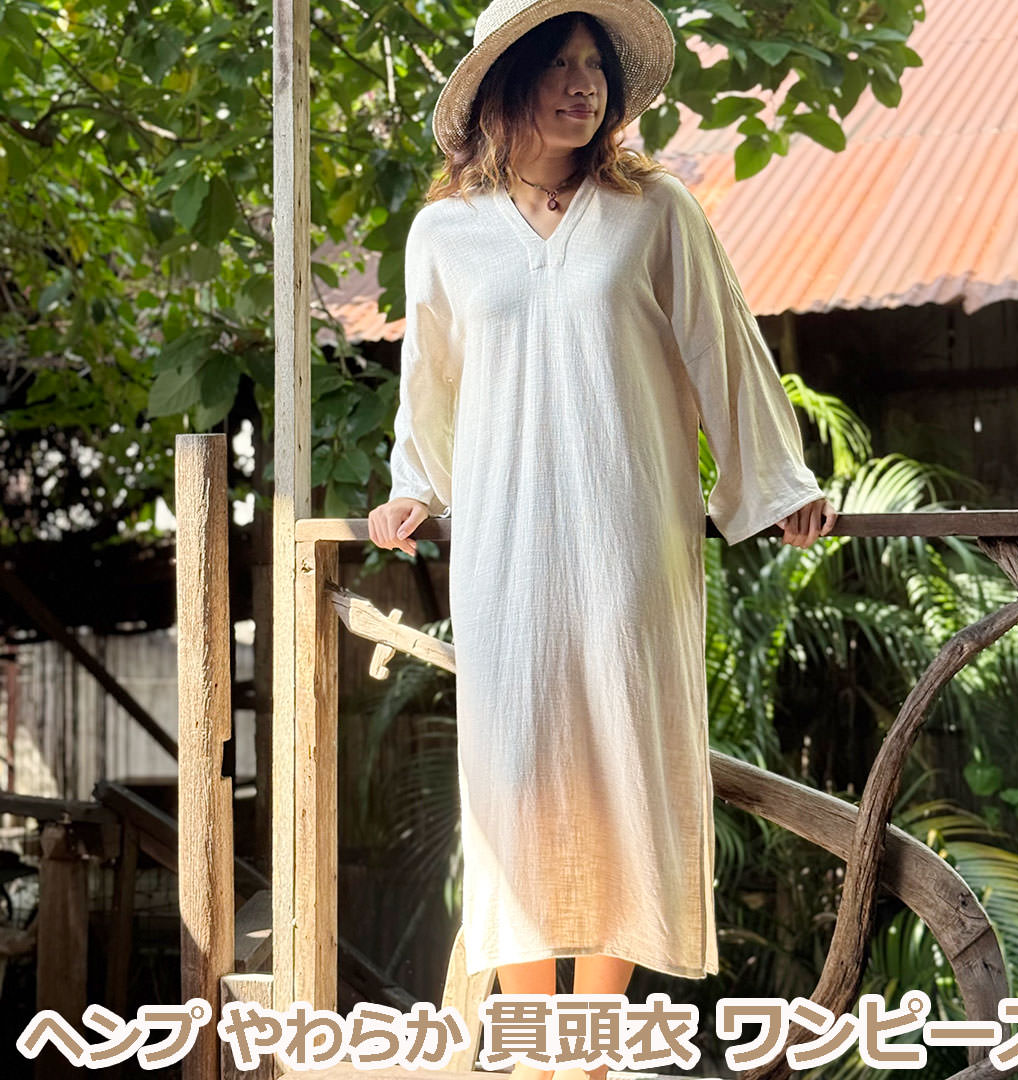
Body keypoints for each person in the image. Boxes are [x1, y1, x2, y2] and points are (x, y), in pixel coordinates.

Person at [368, 3, 838, 1078]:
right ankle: (546, 1055)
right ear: (504, 84)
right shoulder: (444, 233)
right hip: (504, 553)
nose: (582, 84)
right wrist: (413, 492)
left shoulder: (654, 211)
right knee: (520, 788)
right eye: (558, 64)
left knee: (625, 772)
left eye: (595, 66)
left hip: (630, 540)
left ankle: (584, 1057)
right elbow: (429, 387)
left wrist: (777, 487)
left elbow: (726, 350)